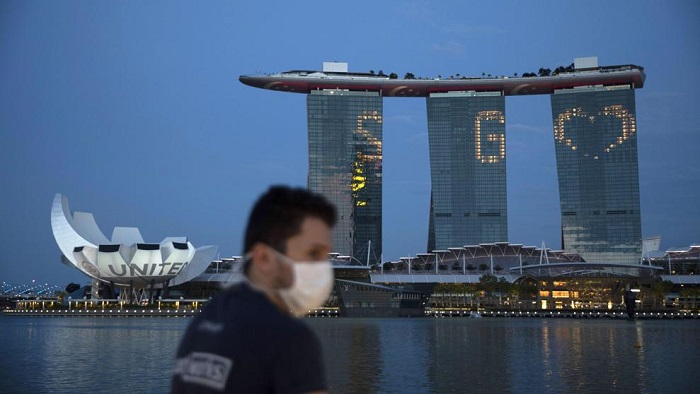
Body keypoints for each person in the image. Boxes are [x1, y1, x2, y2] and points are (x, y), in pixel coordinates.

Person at [172, 185, 336, 393]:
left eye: (326, 255)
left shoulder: (204, 321)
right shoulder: (290, 338)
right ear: (264, 258)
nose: (324, 267)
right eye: (313, 253)